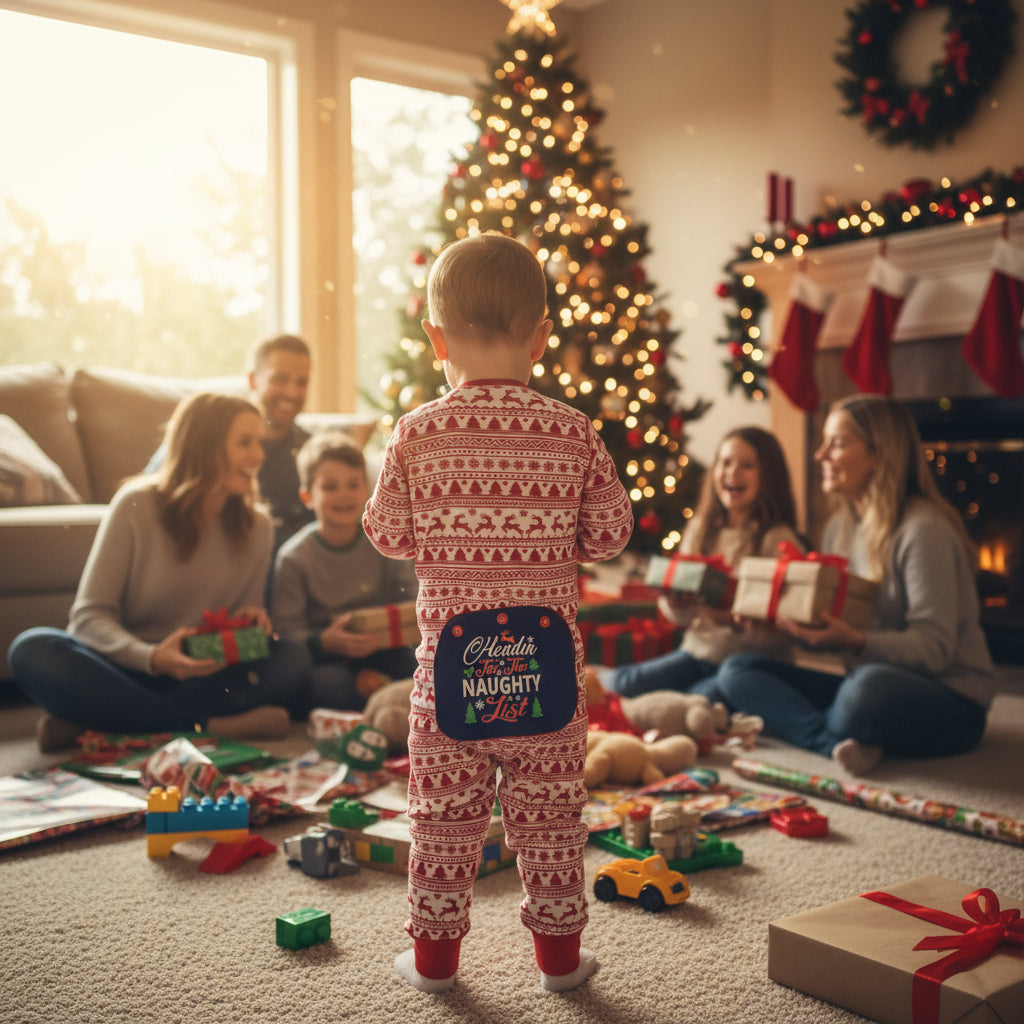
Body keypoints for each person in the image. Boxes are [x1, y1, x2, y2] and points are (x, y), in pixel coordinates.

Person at [362, 233, 633, 994]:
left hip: (449, 683)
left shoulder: (416, 432)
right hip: (548, 683)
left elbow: (386, 532)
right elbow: (611, 534)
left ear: (436, 339)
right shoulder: (574, 432)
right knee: (550, 825)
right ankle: (562, 964)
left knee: (443, 826)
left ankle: (434, 965)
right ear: (541, 339)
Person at [8, 392, 312, 752]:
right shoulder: (136, 505)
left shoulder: (258, 525)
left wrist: (248, 623)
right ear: (204, 446)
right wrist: (151, 657)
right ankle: (210, 727)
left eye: (258, 442)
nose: (259, 455)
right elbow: (88, 618)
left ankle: (102, 726)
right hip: (126, 668)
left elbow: (238, 630)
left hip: (202, 676)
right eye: (245, 442)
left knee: (291, 657)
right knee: (31, 649)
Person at [714, 394, 996, 776]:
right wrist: (786, 627)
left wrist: (855, 642)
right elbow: (837, 629)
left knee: (862, 692)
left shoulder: (923, 531)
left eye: (838, 443)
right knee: (736, 671)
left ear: (879, 455)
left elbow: (935, 649)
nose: (820, 455)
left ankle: (832, 725)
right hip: (868, 679)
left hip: (951, 701)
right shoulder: (840, 530)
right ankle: (833, 742)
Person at [599, 426, 806, 702]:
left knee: (696, 700)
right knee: (625, 681)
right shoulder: (700, 529)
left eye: (747, 466)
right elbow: (682, 616)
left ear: (770, 476)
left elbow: (783, 635)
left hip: (750, 666)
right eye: (726, 462)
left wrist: (732, 621)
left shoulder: (779, 540)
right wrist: (675, 604)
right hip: (698, 652)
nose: (733, 473)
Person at [271, 431, 418, 710]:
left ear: (367, 489)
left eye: (353, 484)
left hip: (384, 647)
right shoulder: (294, 558)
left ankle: (389, 701)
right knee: (327, 687)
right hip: (329, 658)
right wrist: (323, 642)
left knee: (419, 666)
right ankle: (379, 704)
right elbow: (285, 635)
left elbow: (410, 595)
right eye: (330, 487)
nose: (344, 495)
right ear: (307, 497)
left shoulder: (384, 541)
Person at [146, 333, 315, 548]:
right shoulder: (207, 437)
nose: (292, 392)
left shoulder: (313, 451)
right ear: (253, 380)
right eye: (279, 379)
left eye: (302, 382)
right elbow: (154, 495)